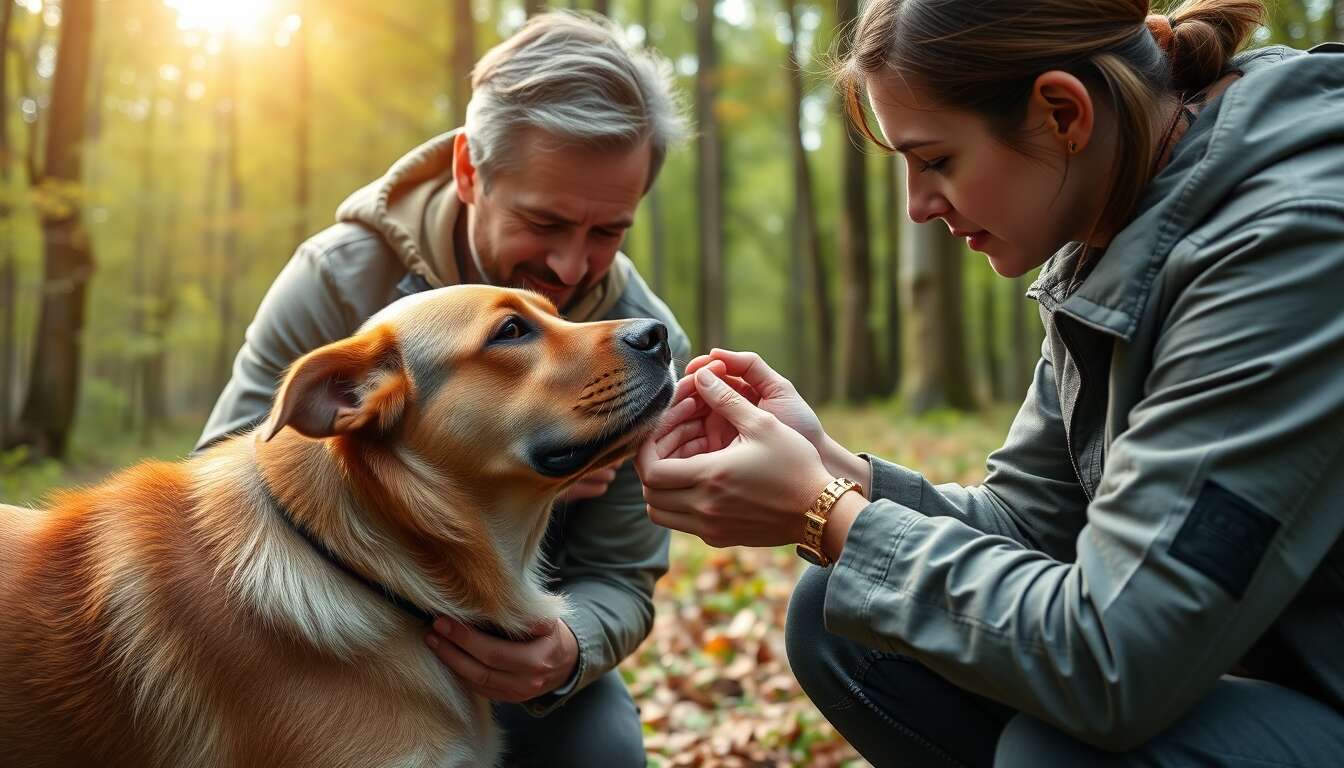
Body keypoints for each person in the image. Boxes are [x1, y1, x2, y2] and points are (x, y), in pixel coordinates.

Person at [636, 0, 1344, 765]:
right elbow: (1034, 523)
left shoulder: (1289, 244)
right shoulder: (1111, 221)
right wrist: (832, 468)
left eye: (936, 160)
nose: (916, 207)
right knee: (846, 622)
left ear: (1061, 112)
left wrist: (824, 510)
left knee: (1056, 756)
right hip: (1255, 672)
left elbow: (1113, 660)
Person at [197, 11, 689, 766]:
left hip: (514, 657)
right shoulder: (339, 282)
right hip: (322, 641)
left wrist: (566, 649)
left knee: (605, 754)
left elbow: (624, 576)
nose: (567, 266)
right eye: (543, 220)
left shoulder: (643, 344)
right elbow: (218, 486)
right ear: (468, 170)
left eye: (606, 233)